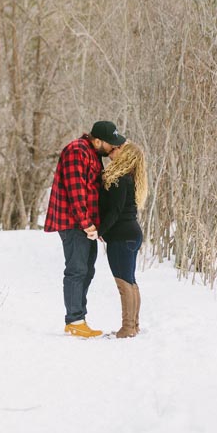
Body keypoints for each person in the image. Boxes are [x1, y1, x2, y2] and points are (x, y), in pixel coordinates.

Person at [44, 120, 126, 338]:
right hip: (73, 223)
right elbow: (75, 190)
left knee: (87, 270)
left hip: (85, 224)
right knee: (77, 269)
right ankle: (74, 320)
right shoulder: (76, 151)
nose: (113, 148)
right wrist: (87, 223)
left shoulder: (93, 155)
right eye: (111, 144)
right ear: (97, 140)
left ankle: (79, 318)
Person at [92, 140, 147, 338]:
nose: (116, 149)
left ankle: (127, 328)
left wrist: (99, 230)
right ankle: (134, 325)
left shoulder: (120, 179)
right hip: (131, 234)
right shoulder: (129, 178)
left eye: (120, 149)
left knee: (123, 283)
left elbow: (114, 212)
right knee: (130, 282)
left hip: (122, 236)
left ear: (126, 156)